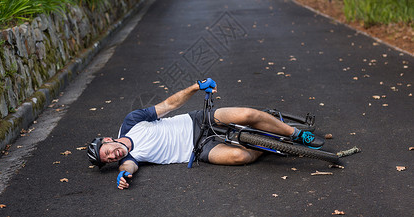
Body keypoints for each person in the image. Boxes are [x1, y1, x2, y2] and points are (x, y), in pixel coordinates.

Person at [87, 78, 324, 190]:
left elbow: (168, 105)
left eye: (107, 152)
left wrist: (195, 87)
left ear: (108, 140)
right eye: (108, 160)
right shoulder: (130, 159)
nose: (112, 156)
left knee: (246, 114)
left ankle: (295, 135)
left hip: (196, 120)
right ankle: (272, 143)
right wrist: (123, 176)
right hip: (199, 149)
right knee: (240, 158)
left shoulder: (131, 122)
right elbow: (128, 167)